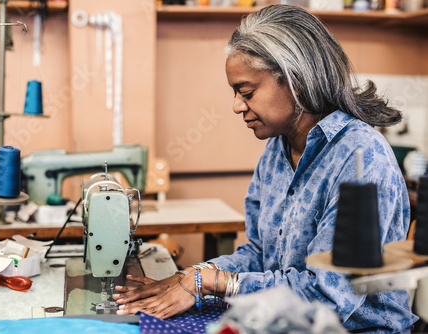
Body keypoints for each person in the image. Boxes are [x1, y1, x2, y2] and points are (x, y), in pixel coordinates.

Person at [114, 4, 418, 332]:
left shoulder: (361, 160)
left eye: (247, 92)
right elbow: (260, 254)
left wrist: (215, 282)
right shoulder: (277, 150)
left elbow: (327, 297)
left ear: (296, 80)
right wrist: (192, 277)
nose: (236, 106)